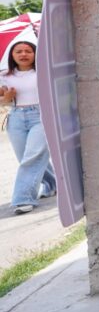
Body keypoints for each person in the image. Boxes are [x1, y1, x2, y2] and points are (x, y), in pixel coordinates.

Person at [1, 40, 57, 213]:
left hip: (41, 116)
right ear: (12, 55)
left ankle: (23, 199)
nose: (23, 54)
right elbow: (2, 100)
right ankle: (52, 183)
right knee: (25, 157)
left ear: (35, 54)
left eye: (28, 51)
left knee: (33, 156)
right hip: (16, 118)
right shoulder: (4, 75)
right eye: (19, 51)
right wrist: (6, 98)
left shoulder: (44, 72)